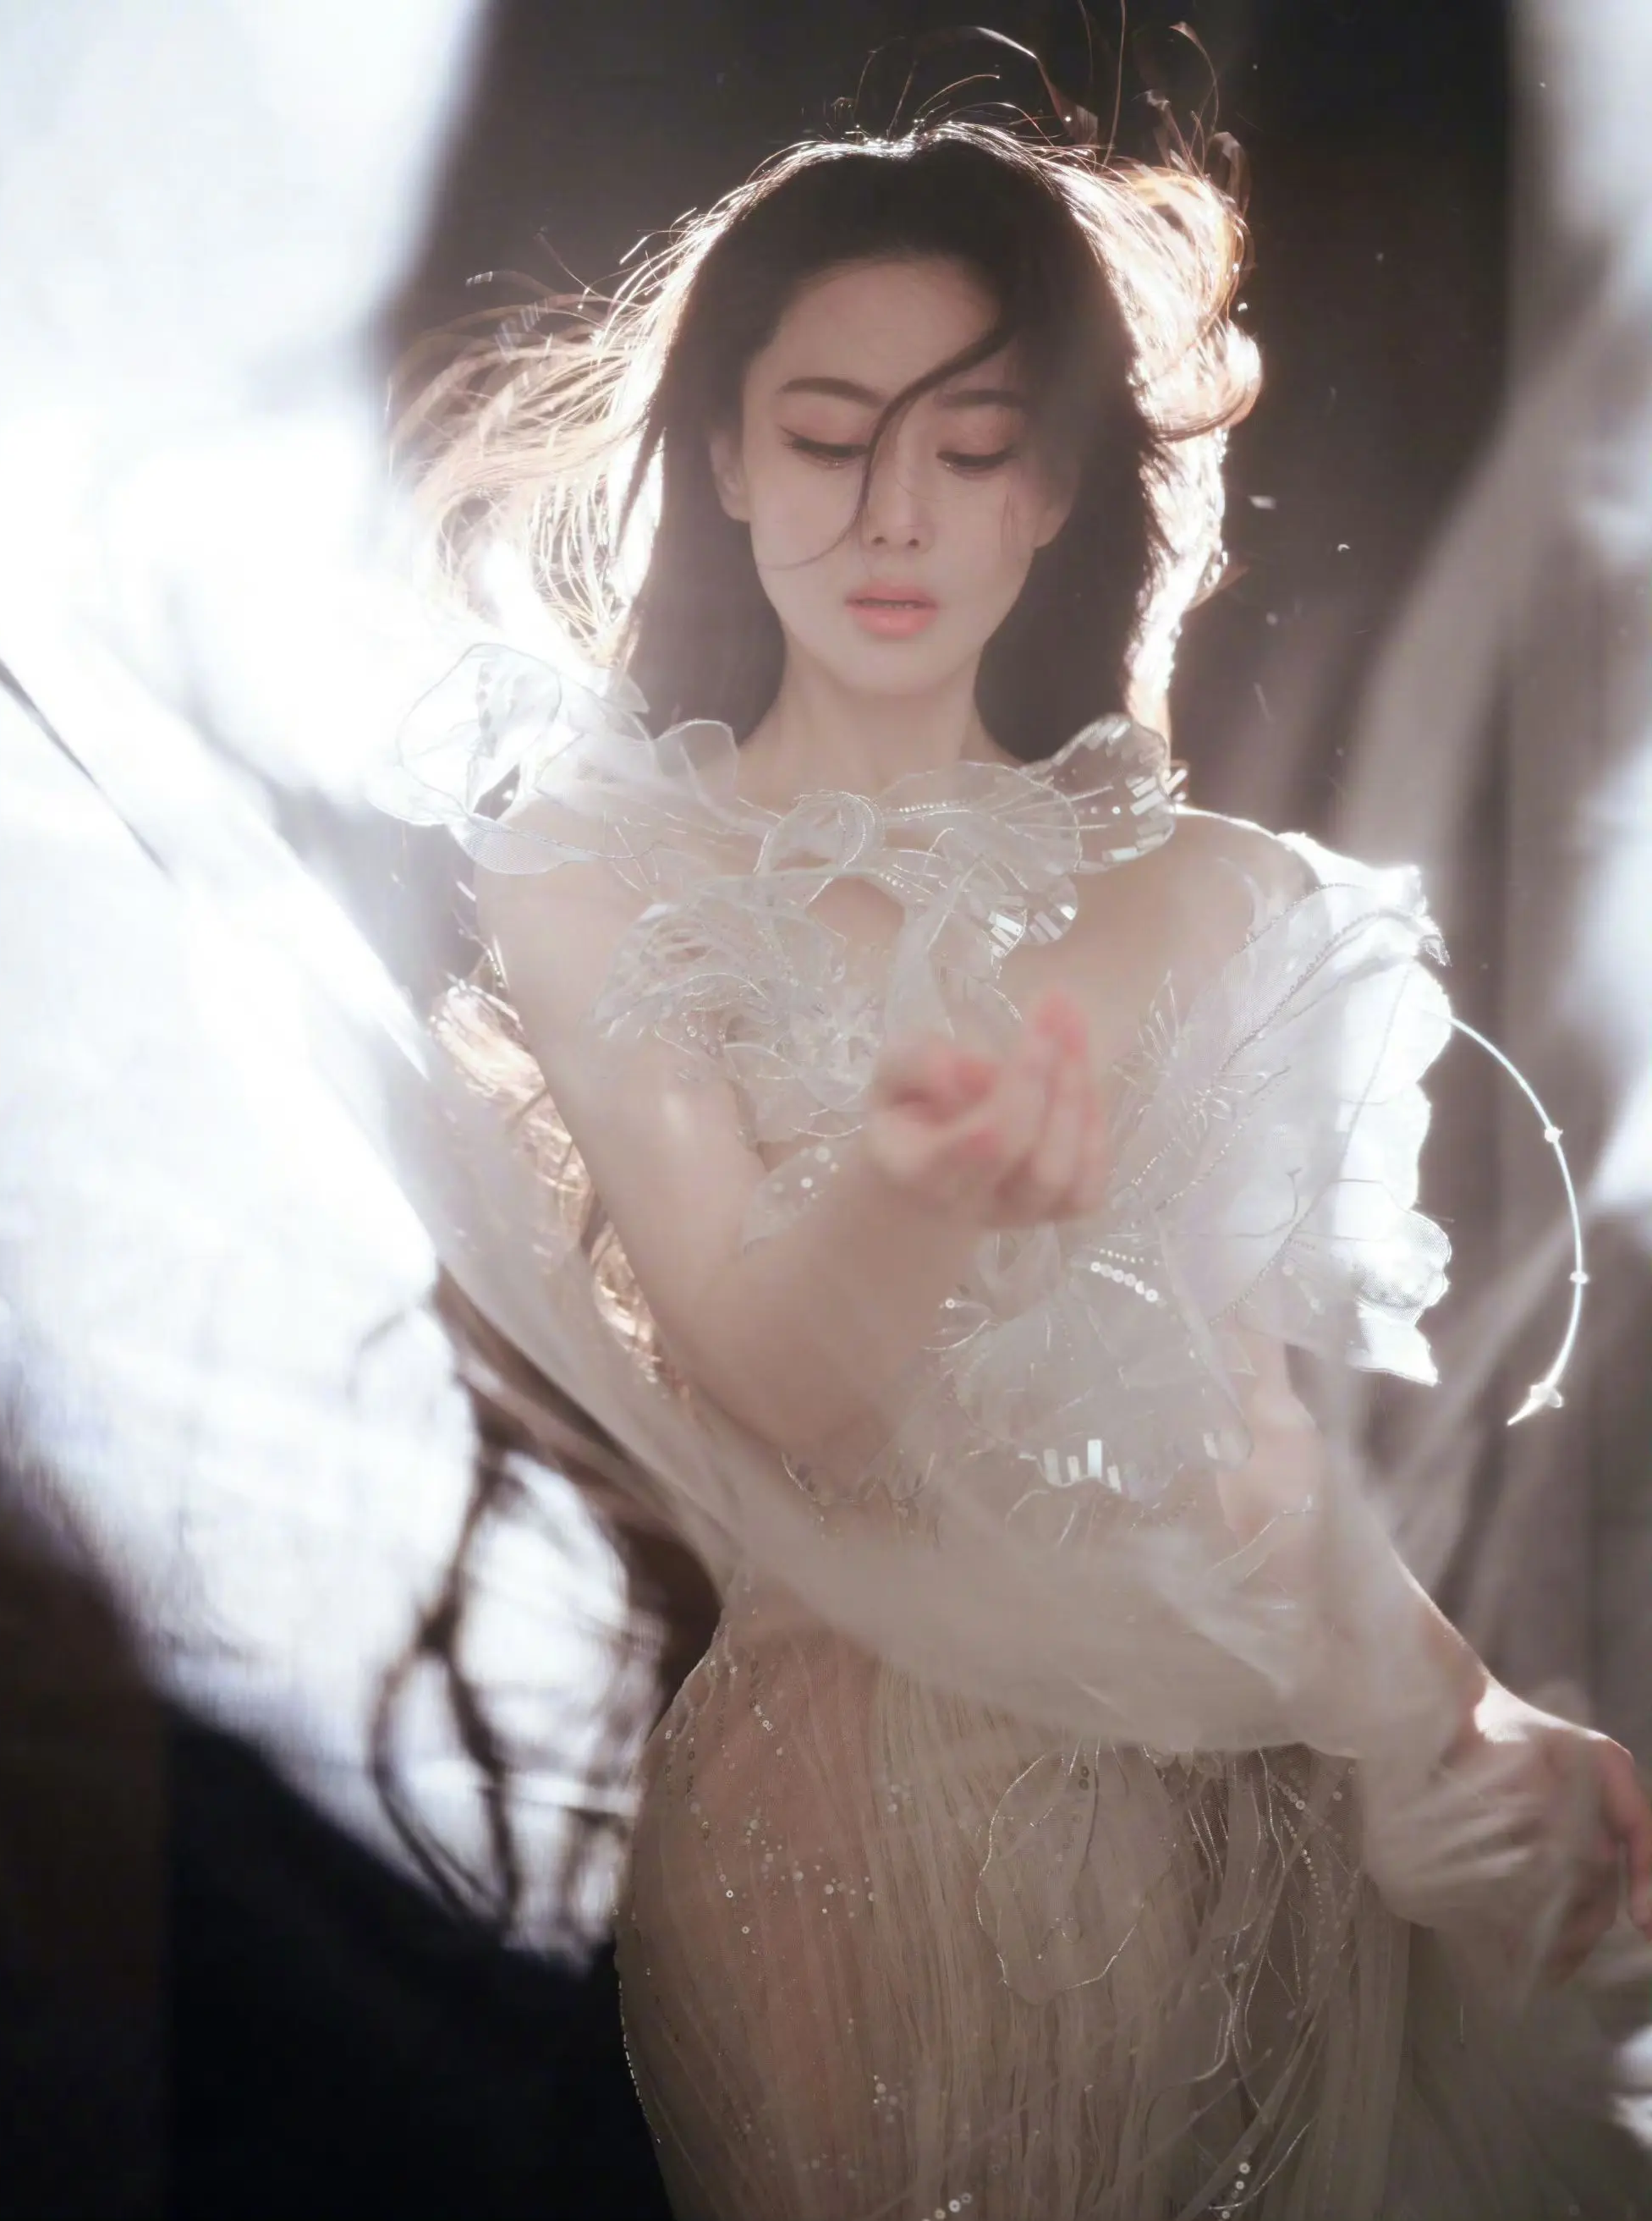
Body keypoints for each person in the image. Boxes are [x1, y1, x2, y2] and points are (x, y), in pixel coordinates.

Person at [377, 118, 1652, 2219]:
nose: (894, 512)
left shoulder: (1212, 893)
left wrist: (1466, 1720)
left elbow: (1240, 1431)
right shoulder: (598, 864)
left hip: (1237, 1822)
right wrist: (909, 1189)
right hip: (839, 1834)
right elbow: (770, 1376)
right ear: (723, 459)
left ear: (1055, 489)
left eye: (970, 447)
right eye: (827, 437)